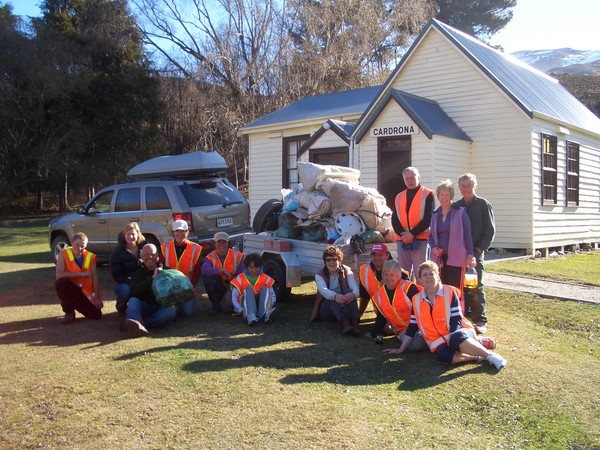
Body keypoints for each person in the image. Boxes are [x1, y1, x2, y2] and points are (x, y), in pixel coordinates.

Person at [385, 261, 506, 371]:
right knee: (443, 356)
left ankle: (491, 356)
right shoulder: (416, 300)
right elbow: (412, 327)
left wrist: (451, 337)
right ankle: (476, 356)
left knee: (456, 340)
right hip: (437, 340)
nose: (428, 277)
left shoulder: (449, 292)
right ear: (420, 280)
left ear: (437, 276)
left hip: (458, 330)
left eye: (431, 274)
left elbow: (456, 319)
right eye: (424, 275)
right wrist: (401, 349)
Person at [454, 173, 496, 334]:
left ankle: (480, 319)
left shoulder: (483, 205)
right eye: (463, 186)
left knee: (476, 286)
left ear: (474, 186)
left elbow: (490, 230)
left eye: (469, 186)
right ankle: (464, 316)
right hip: (459, 254)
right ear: (459, 187)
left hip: (475, 253)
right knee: (461, 286)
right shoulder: (457, 206)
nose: (466, 189)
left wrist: (479, 249)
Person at [429, 179, 474, 290]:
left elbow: (468, 236)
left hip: (457, 257)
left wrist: (470, 255)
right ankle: (444, 308)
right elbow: (431, 235)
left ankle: (457, 307)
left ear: (451, 195)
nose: (444, 198)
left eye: (447, 195)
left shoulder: (460, 212)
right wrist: (434, 247)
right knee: (441, 287)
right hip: (439, 257)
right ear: (438, 197)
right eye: (441, 195)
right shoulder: (435, 214)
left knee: (455, 289)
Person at [372, 260, 427, 351]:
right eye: (386, 274)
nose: (388, 278)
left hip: (420, 325)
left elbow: (423, 308)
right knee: (414, 346)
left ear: (399, 276)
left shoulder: (408, 287)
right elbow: (381, 317)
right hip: (402, 331)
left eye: (392, 275)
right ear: (382, 275)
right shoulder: (379, 294)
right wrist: (374, 333)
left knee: (418, 342)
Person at [124, 244, 177, 336]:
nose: (150, 257)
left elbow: (174, 291)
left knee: (171, 311)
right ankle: (136, 324)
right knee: (133, 301)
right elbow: (135, 292)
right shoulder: (137, 273)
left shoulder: (167, 271)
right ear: (141, 256)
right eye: (146, 254)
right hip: (145, 306)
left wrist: (163, 278)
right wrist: (152, 279)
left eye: (153, 254)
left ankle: (139, 325)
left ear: (157, 257)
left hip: (161, 307)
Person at [392, 167, 434, 279]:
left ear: (419, 178)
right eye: (407, 178)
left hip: (420, 240)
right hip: (403, 241)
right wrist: (404, 235)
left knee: (421, 274)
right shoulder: (399, 196)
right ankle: (406, 296)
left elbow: (428, 218)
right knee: (403, 275)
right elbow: (395, 219)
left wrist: (412, 234)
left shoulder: (428, 194)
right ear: (404, 180)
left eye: (413, 177)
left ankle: (422, 296)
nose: (410, 181)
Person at [311, 246, 361, 336]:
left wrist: (352, 295)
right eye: (328, 260)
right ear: (325, 262)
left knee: (349, 291)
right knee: (332, 298)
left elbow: (356, 290)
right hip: (327, 311)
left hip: (345, 305)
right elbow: (324, 291)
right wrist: (336, 296)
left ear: (340, 260)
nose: (331, 262)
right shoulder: (319, 275)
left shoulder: (347, 270)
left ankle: (355, 323)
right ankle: (344, 324)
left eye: (334, 259)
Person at [55, 232, 102, 324]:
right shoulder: (63, 253)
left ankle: (75, 304)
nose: (79, 249)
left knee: (96, 315)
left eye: (82, 246)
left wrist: (97, 298)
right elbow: (59, 275)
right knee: (62, 282)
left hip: (84, 292)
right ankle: (69, 312)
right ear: (72, 243)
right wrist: (81, 274)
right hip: (70, 288)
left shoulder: (90, 257)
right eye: (77, 245)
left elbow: (95, 278)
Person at [160, 220, 202, 317]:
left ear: (187, 232)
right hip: (169, 288)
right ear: (173, 233)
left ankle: (180, 304)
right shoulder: (164, 247)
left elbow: (196, 272)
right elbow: (160, 268)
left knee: (187, 313)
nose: (180, 234)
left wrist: (191, 288)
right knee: (169, 311)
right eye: (177, 231)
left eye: (183, 231)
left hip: (186, 287)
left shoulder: (196, 248)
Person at [201, 231, 245, 316]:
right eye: (219, 242)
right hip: (219, 286)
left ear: (228, 243)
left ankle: (224, 302)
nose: (221, 245)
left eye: (224, 242)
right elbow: (204, 270)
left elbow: (241, 276)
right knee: (208, 278)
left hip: (234, 287)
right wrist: (221, 270)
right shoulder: (210, 256)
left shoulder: (237, 255)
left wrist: (231, 290)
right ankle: (215, 305)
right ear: (215, 244)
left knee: (227, 309)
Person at [230, 253, 278, 325]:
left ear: (260, 266)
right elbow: (234, 297)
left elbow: (272, 294)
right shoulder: (240, 278)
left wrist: (272, 305)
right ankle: (250, 316)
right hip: (246, 305)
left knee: (265, 288)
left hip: (260, 305)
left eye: (256, 267)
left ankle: (265, 315)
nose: (254, 270)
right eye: (251, 267)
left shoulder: (265, 278)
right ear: (246, 267)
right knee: (248, 289)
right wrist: (240, 310)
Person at [110, 222, 145, 316]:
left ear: (138, 235)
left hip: (142, 279)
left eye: (133, 234)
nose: (130, 236)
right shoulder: (117, 252)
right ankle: (121, 308)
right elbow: (117, 275)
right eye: (128, 234)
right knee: (125, 290)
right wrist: (132, 281)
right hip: (124, 281)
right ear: (124, 235)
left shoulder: (144, 248)